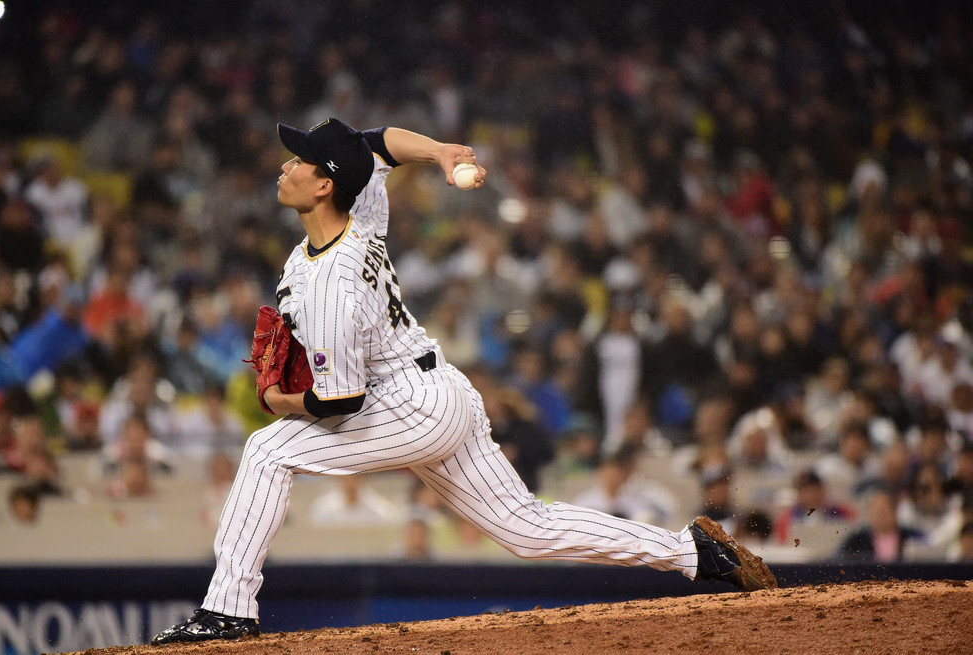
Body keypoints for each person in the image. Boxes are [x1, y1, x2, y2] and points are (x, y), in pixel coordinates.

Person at [152, 118, 777, 645]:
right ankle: (693, 552)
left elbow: (338, 402)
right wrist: (441, 151)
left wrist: (276, 399)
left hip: (405, 404)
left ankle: (228, 610)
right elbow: (377, 143)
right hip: (438, 390)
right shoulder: (354, 215)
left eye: (301, 160)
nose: (286, 164)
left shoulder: (331, 283)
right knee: (527, 529)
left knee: (266, 449)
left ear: (324, 185)